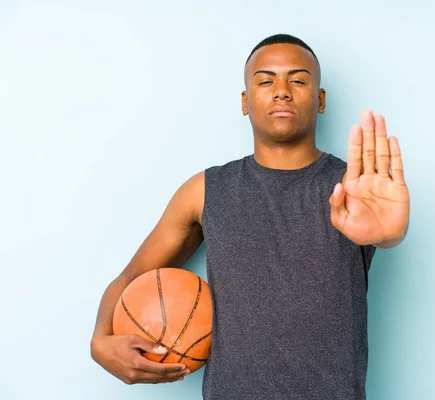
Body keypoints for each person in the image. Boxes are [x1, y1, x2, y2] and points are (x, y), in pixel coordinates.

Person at [90, 33, 410, 399]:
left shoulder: (354, 187)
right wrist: (100, 340)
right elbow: (133, 276)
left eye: (299, 79)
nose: (282, 91)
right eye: (265, 80)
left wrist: (389, 234)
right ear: (246, 101)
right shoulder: (205, 191)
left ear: (320, 100)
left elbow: (386, 232)